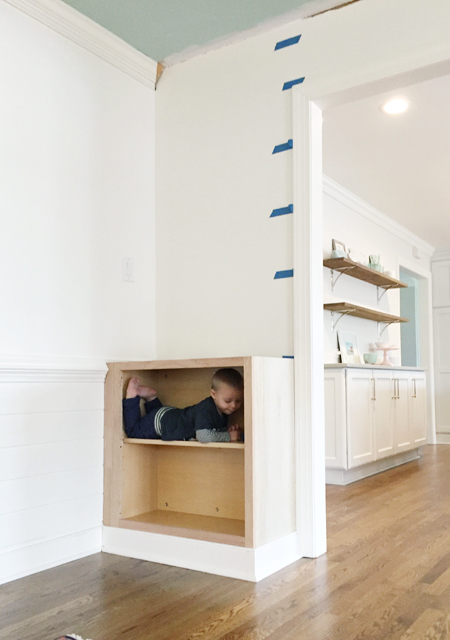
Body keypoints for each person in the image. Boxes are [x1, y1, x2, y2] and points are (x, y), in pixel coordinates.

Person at [122, 367, 243, 443]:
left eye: (238, 401)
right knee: (134, 433)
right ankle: (132, 397)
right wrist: (227, 436)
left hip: (168, 415)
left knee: (159, 415)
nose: (233, 406)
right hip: (159, 423)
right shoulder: (206, 409)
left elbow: (210, 429)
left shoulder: (222, 409)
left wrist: (226, 431)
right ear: (213, 394)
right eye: (228, 401)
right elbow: (203, 436)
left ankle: (151, 397)